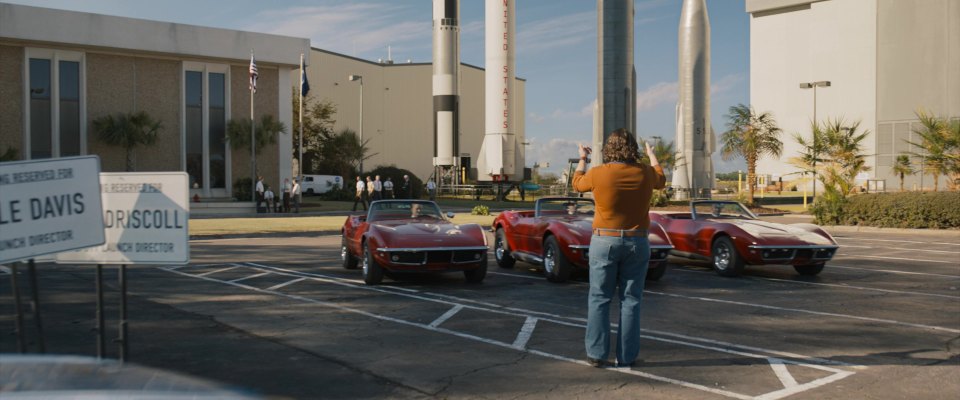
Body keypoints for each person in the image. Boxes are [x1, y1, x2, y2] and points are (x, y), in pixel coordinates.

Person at [572, 128, 665, 369]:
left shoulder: (599, 173)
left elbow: (577, 184)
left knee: (599, 298)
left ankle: (596, 354)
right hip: (637, 241)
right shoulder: (644, 172)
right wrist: (652, 155)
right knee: (631, 300)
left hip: (604, 241)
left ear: (608, 150)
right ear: (633, 148)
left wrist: (583, 157)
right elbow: (661, 179)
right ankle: (626, 357)